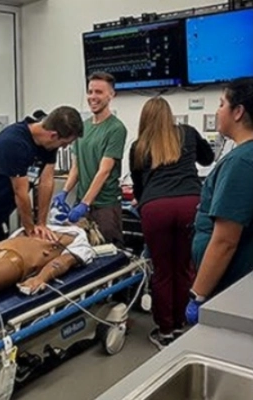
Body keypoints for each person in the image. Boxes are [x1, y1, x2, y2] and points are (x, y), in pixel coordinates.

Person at [129, 97, 214, 350]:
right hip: (189, 203)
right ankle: (186, 325)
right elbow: (208, 159)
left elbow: (139, 187)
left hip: (156, 208)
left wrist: (143, 202)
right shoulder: (187, 133)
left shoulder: (138, 146)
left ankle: (166, 331)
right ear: (171, 116)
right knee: (185, 267)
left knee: (163, 271)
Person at [0, 106, 84, 251]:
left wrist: (42, 224)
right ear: (53, 135)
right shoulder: (13, 143)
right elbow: (21, 192)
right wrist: (31, 230)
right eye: (64, 144)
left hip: (2, 209)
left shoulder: (48, 145)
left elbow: (46, 181)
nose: (63, 148)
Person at [186, 78, 253, 326]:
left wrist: (198, 295)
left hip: (230, 282)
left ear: (238, 112)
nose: (217, 111)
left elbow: (225, 240)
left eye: (221, 104)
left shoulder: (241, 163)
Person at [55, 72, 127, 247]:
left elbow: (104, 171)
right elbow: (76, 167)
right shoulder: (83, 127)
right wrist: (64, 192)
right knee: (81, 254)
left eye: (99, 92)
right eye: (90, 91)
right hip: (82, 203)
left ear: (111, 95)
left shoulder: (116, 129)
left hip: (105, 206)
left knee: (108, 256)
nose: (93, 97)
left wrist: (85, 204)